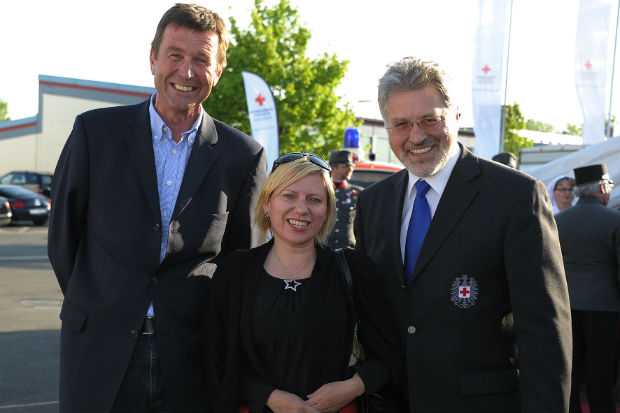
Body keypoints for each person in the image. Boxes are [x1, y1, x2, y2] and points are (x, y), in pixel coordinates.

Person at [47, 4, 267, 412]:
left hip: (194, 359)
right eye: (175, 55)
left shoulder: (244, 156)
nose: (186, 71)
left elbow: (243, 263)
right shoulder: (95, 133)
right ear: (153, 60)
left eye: (202, 60)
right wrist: (99, 302)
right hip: (98, 347)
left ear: (217, 71)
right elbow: (63, 239)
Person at [353, 56, 572, 411]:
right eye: (401, 124)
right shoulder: (372, 203)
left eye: (430, 120)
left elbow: (545, 329)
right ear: (387, 126)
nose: (417, 136)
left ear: (456, 115)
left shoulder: (516, 196)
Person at [207, 153, 402, 412]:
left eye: (314, 200)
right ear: (267, 203)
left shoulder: (353, 271)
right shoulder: (234, 272)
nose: (302, 208)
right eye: (289, 196)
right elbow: (216, 358)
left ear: (327, 210)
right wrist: (267, 396)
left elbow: (390, 356)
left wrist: (354, 387)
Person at [554, 164, 620, 413]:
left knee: (569, 372)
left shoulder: (558, 221)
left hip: (564, 308)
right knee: (602, 373)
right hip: (605, 308)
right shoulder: (615, 220)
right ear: (602, 187)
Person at [327, 150, 363, 250]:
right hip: (324, 252)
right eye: (345, 165)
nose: (350, 169)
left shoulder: (359, 193)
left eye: (351, 166)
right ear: (333, 167)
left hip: (349, 252)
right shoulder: (321, 191)